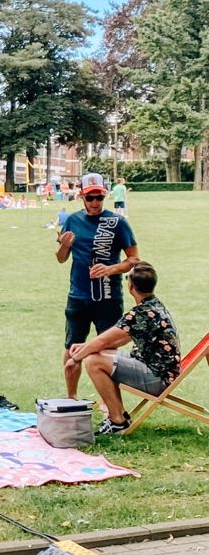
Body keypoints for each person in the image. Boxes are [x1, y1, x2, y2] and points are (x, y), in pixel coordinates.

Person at [67, 262, 180, 434]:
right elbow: (114, 340)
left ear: (131, 287)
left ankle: (117, 420)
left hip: (158, 379)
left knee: (93, 361)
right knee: (100, 354)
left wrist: (75, 359)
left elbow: (103, 341)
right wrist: (86, 347)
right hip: (163, 371)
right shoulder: (154, 305)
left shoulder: (139, 313)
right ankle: (119, 415)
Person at [56, 172, 139, 399]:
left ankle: (108, 403)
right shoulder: (72, 220)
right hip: (78, 295)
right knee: (72, 348)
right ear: (82, 197)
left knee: (108, 352)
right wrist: (64, 246)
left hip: (108, 297)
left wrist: (110, 269)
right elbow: (61, 258)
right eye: (90, 198)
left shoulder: (118, 222)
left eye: (99, 198)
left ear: (105, 196)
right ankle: (71, 398)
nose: (95, 203)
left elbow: (134, 259)